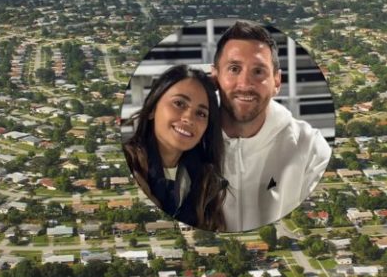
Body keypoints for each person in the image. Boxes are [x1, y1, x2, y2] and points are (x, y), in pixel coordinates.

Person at [212, 21, 331, 231]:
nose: (245, 84)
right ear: (215, 77)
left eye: (258, 71)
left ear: (277, 81)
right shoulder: (185, 145)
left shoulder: (309, 148)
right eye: (234, 69)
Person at [123, 65, 228, 231]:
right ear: (152, 109)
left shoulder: (206, 182)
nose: (188, 118)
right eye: (179, 103)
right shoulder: (125, 165)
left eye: (201, 114)